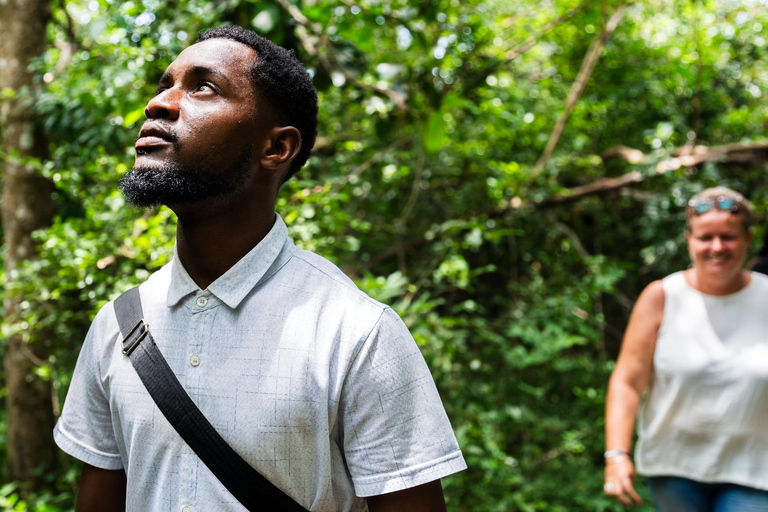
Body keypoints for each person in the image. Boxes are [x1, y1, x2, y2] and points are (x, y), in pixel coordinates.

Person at [53, 26, 466, 512]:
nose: (159, 103)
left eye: (203, 87)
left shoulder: (356, 333)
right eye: (165, 83)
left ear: (276, 148)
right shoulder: (117, 327)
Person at [603, 186, 768, 511]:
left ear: (748, 239)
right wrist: (616, 456)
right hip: (673, 467)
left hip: (754, 469)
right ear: (688, 240)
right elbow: (627, 382)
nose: (717, 247)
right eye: (705, 238)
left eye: (728, 237)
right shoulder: (661, 296)